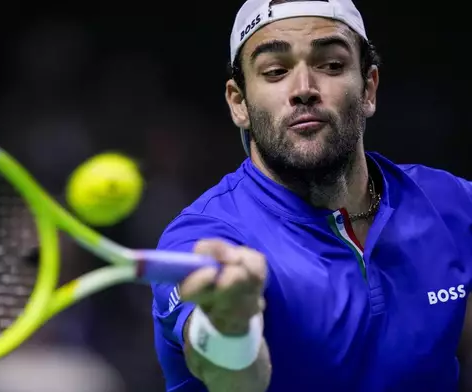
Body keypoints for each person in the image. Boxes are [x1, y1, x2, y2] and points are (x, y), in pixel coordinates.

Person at [150, 0, 472, 391]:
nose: (303, 89)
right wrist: (231, 327)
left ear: (369, 87)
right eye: (275, 71)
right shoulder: (206, 238)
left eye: (332, 65)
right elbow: (230, 376)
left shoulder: (452, 204)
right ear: (239, 103)